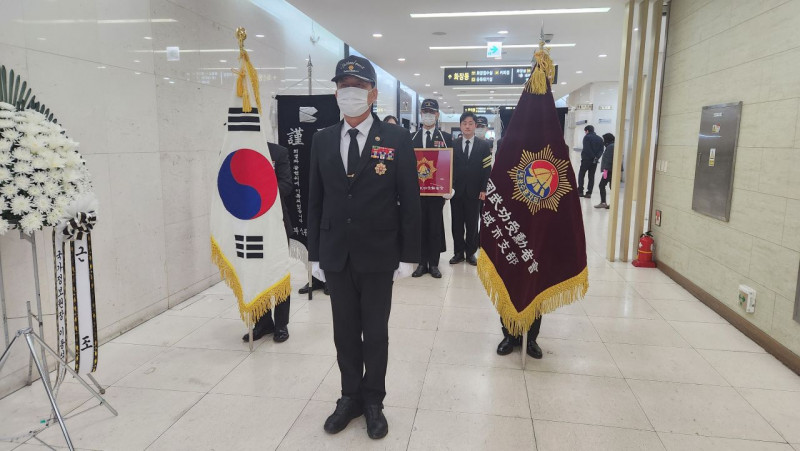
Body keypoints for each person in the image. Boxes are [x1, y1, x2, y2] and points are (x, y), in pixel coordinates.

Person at [308, 55, 421, 440]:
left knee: (374, 333)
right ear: (335, 93)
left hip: (379, 253)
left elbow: (410, 199)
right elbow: (315, 200)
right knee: (344, 332)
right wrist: (314, 252)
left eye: (358, 87)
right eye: (344, 86)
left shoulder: (396, 139)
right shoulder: (322, 139)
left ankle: (374, 400)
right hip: (336, 254)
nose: (350, 93)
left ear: (373, 94)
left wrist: (409, 254)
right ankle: (349, 397)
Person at [240, 142, 293, 343]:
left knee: (278, 273)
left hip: (275, 224)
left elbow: (286, 185)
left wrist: (258, 191)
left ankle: (281, 324)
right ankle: (262, 322)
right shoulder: (236, 151)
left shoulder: (278, 152)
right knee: (254, 274)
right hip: (248, 225)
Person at [411, 98, 453, 279]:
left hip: (436, 191)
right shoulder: (411, 137)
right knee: (420, 227)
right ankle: (421, 263)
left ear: (437, 114)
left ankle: (434, 264)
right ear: (421, 114)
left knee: (435, 227)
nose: (428, 115)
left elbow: (450, 164)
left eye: (431, 112)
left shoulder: (446, 138)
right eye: (425, 112)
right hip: (417, 192)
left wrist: (450, 186)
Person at [449, 112, 492, 266]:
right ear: (460, 126)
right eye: (464, 123)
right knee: (457, 224)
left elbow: (487, 170)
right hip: (456, 192)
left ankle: (470, 253)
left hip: (475, 192)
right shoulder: (452, 144)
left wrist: (484, 189)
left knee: (473, 224)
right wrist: (448, 187)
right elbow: (448, 167)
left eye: (470, 123)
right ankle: (458, 253)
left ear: (475, 125)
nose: (467, 126)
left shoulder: (484, 146)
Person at [577, 125, 604, 198]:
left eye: (585, 131)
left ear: (587, 131)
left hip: (586, 159)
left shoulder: (587, 137)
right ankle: (589, 193)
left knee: (581, 174)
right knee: (591, 176)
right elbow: (601, 150)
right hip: (594, 161)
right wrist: (596, 157)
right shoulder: (600, 139)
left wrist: (593, 156)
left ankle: (580, 191)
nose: (585, 133)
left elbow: (587, 149)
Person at [595, 133, 615, 209]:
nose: (603, 141)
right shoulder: (613, 145)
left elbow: (609, 160)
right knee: (611, 186)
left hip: (608, 170)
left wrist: (605, 171)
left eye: (604, 139)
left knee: (602, 185)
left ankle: (603, 202)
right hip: (611, 170)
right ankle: (612, 204)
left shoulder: (610, 147)